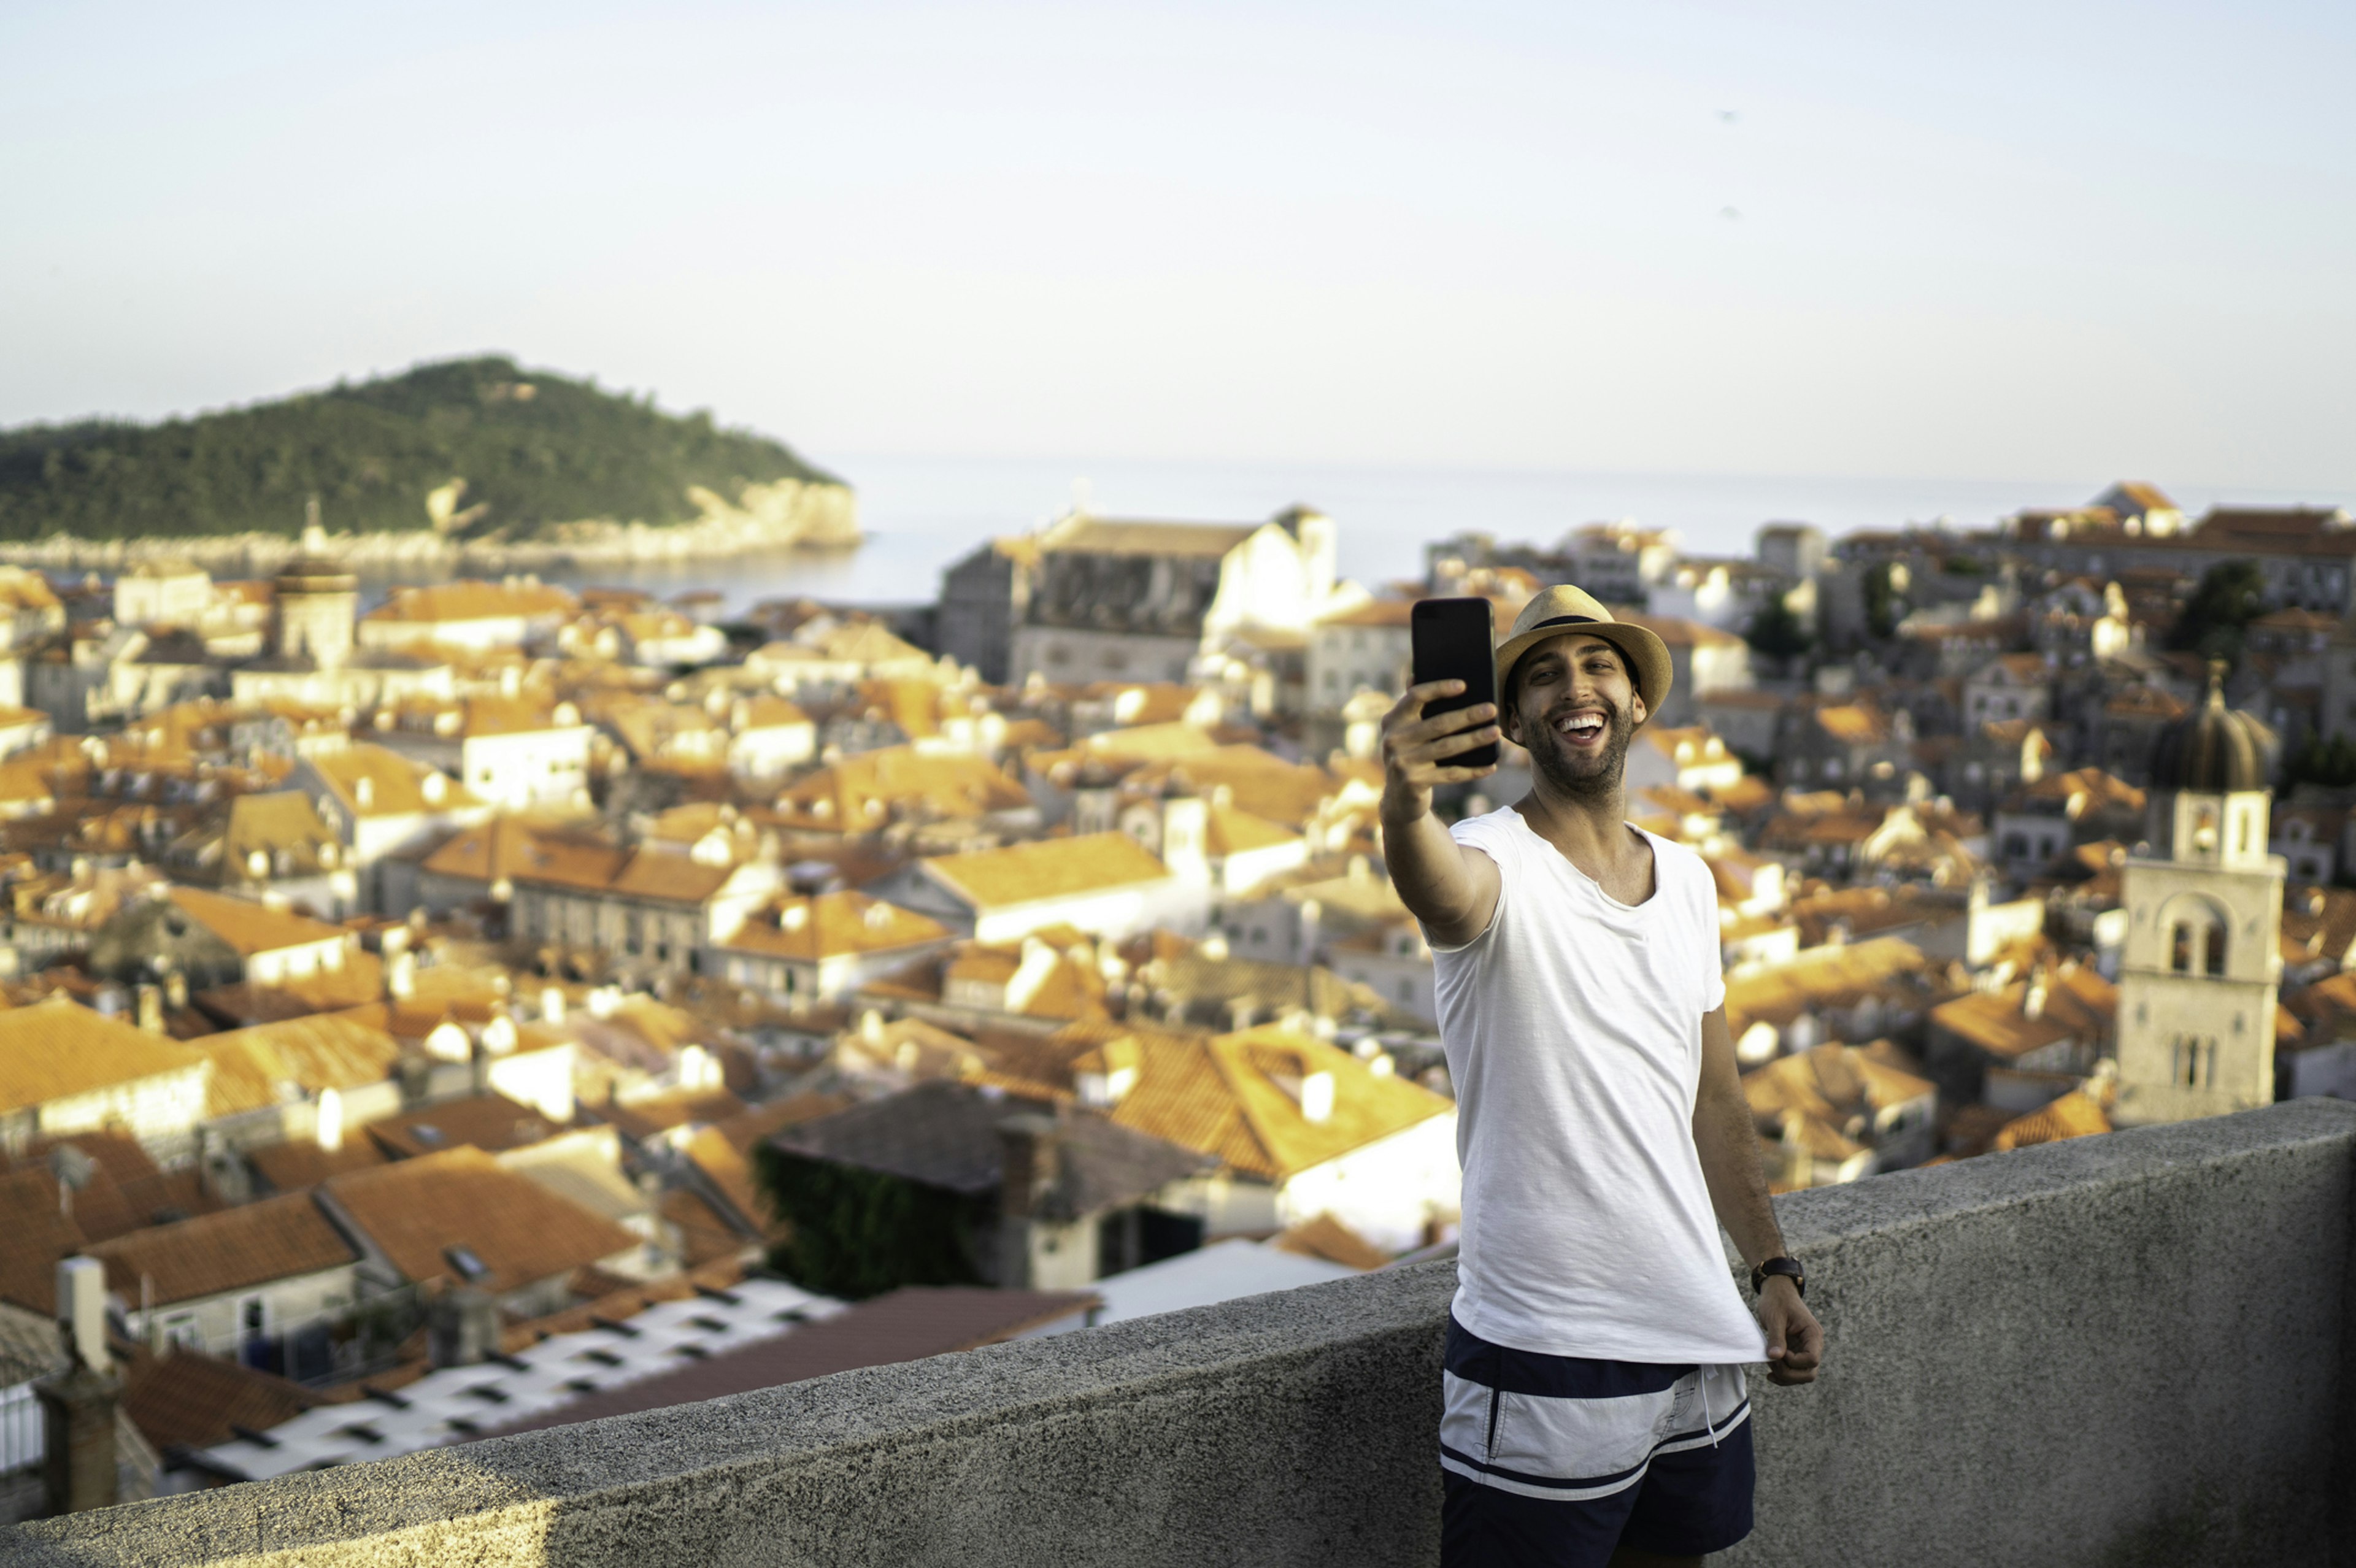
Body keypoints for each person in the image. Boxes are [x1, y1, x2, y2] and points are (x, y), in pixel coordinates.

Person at [1379, 585, 1825, 1568]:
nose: (1572, 687)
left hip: (1700, 1343)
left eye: (1596, 666)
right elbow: (1440, 895)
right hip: (1547, 1349)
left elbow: (1714, 1102)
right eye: (1541, 674)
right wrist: (1404, 800)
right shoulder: (1489, 859)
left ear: (1636, 703)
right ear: (1513, 722)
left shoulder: (1693, 880)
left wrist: (1774, 1270)